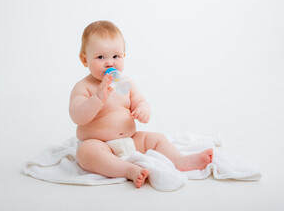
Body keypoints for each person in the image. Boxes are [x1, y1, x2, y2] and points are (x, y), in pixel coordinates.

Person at [69, 20, 213, 188]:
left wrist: (142, 109)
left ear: (124, 56)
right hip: (99, 144)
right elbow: (77, 116)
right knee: (85, 153)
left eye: (116, 56)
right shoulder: (83, 87)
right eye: (100, 57)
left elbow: (140, 100)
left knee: (157, 138)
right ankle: (128, 170)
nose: (110, 63)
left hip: (131, 140)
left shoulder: (125, 83)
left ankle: (180, 160)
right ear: (84, 59)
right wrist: (98, 97)